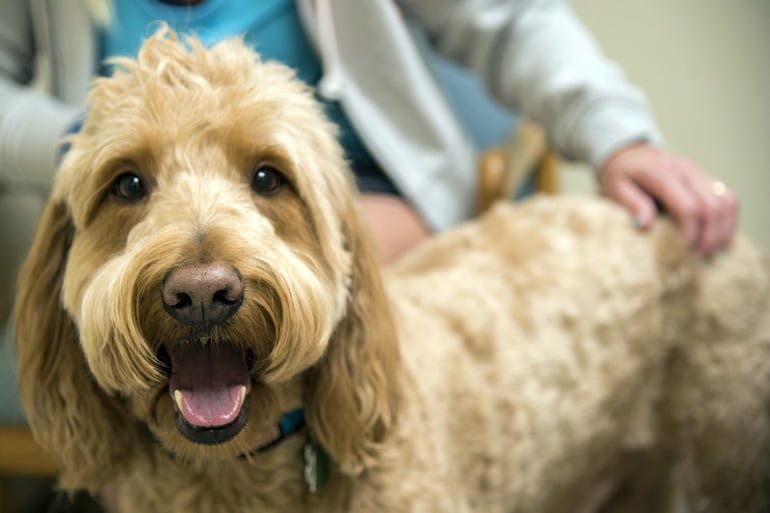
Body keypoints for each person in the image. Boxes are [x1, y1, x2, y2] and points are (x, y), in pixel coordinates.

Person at [0, 0, 737, 265]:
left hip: (360, 187)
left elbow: (510, 21)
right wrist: (85, 142)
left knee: (334, 299)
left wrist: (618, 136)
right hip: (138, 205)